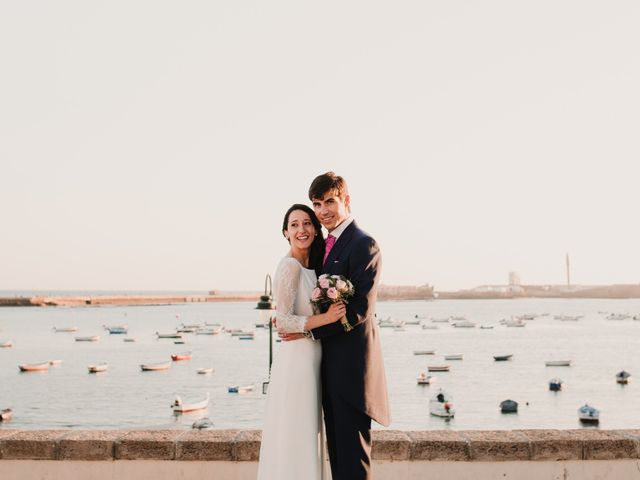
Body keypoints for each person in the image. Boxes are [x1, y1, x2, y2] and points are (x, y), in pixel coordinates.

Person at [306, 171, 390, 480]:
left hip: (353, 371)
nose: (323, 211)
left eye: (329, 201)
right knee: (338, 459)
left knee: (353, 462)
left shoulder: (364, 244)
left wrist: (308, 329)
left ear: (346, 201)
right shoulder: (321, 246)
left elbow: (359, 309)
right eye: (317, 204)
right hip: (328, 368)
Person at [257, 204, 346, 480]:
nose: (301, 230)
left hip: (311, 360)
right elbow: (282, 321)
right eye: (294, 225)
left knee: (305, 435)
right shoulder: (289, 266)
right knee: (295, 434)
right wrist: (328, 318)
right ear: (285, 232)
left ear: (315, 229)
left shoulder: (313, 268)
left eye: (306, 223)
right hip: (296, 364)